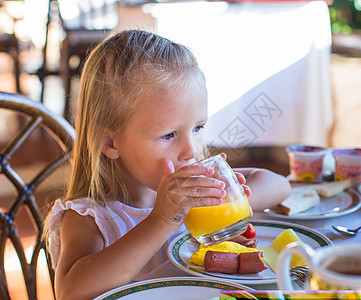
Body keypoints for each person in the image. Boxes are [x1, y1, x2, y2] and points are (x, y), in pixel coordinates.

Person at [45, 29, 291, 300]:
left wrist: (231, 201)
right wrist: (162, 219)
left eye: (198, 128)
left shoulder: (193, 192)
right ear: (110, 144)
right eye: (168, 135)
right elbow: (70, 292)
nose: (192, 150)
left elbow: (279, 185)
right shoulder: (90, 218)